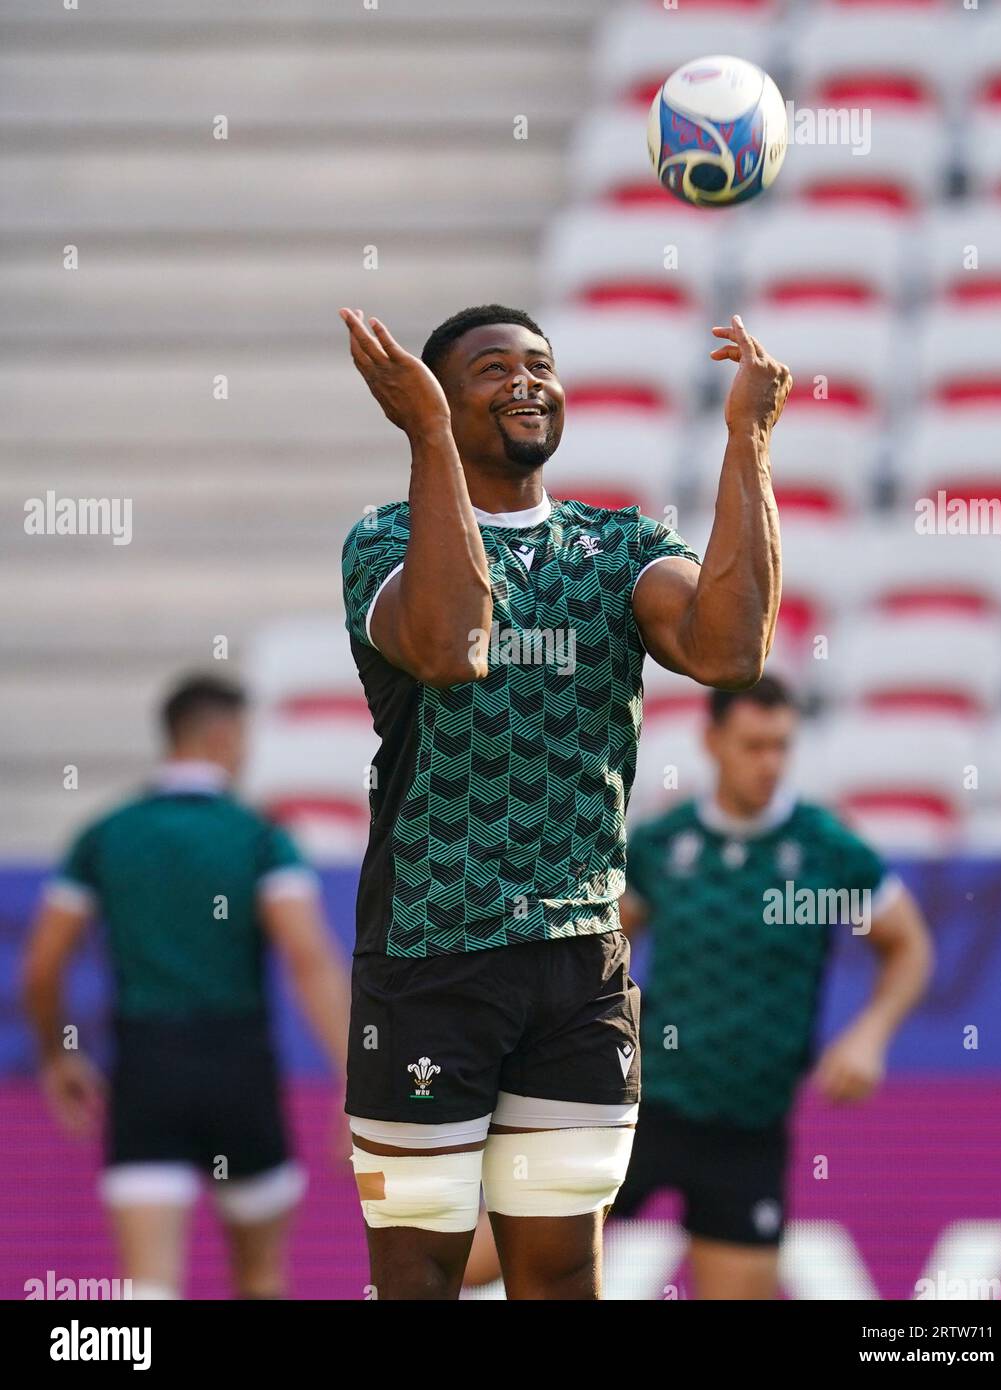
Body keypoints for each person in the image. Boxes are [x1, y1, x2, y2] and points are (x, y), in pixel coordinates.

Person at [338, 301, 792, 1299]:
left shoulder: (618, 543)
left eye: (540, 364)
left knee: (561, 1279)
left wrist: (748, 439)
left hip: (578, 969)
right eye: (492, 369)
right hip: (429, 960)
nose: (526, 382)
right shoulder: (379, 544)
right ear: (440, 404)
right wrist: (423, 439)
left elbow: (729, 649)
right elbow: (453, 645)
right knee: (419, 1280)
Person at [22, 674, 351, 1300]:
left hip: (146, 1075)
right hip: (241, 1075)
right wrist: (349, 1073)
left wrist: (56, 1053)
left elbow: (41, 965)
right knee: (259, 1280)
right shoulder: (258, 838)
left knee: (148, 1293)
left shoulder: (105, 835)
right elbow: (308, 958)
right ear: (223, 735)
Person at [610, 674, 934, 1299]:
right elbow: (600, 952)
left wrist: (870, 1035)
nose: (769, 763)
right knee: (516, 1259)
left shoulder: (822, 853)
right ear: (712, 740)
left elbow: (910, 946)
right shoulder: (664, 845)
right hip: (640, 1110)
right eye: (753, 745)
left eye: (781, 746)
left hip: (748, 1128)